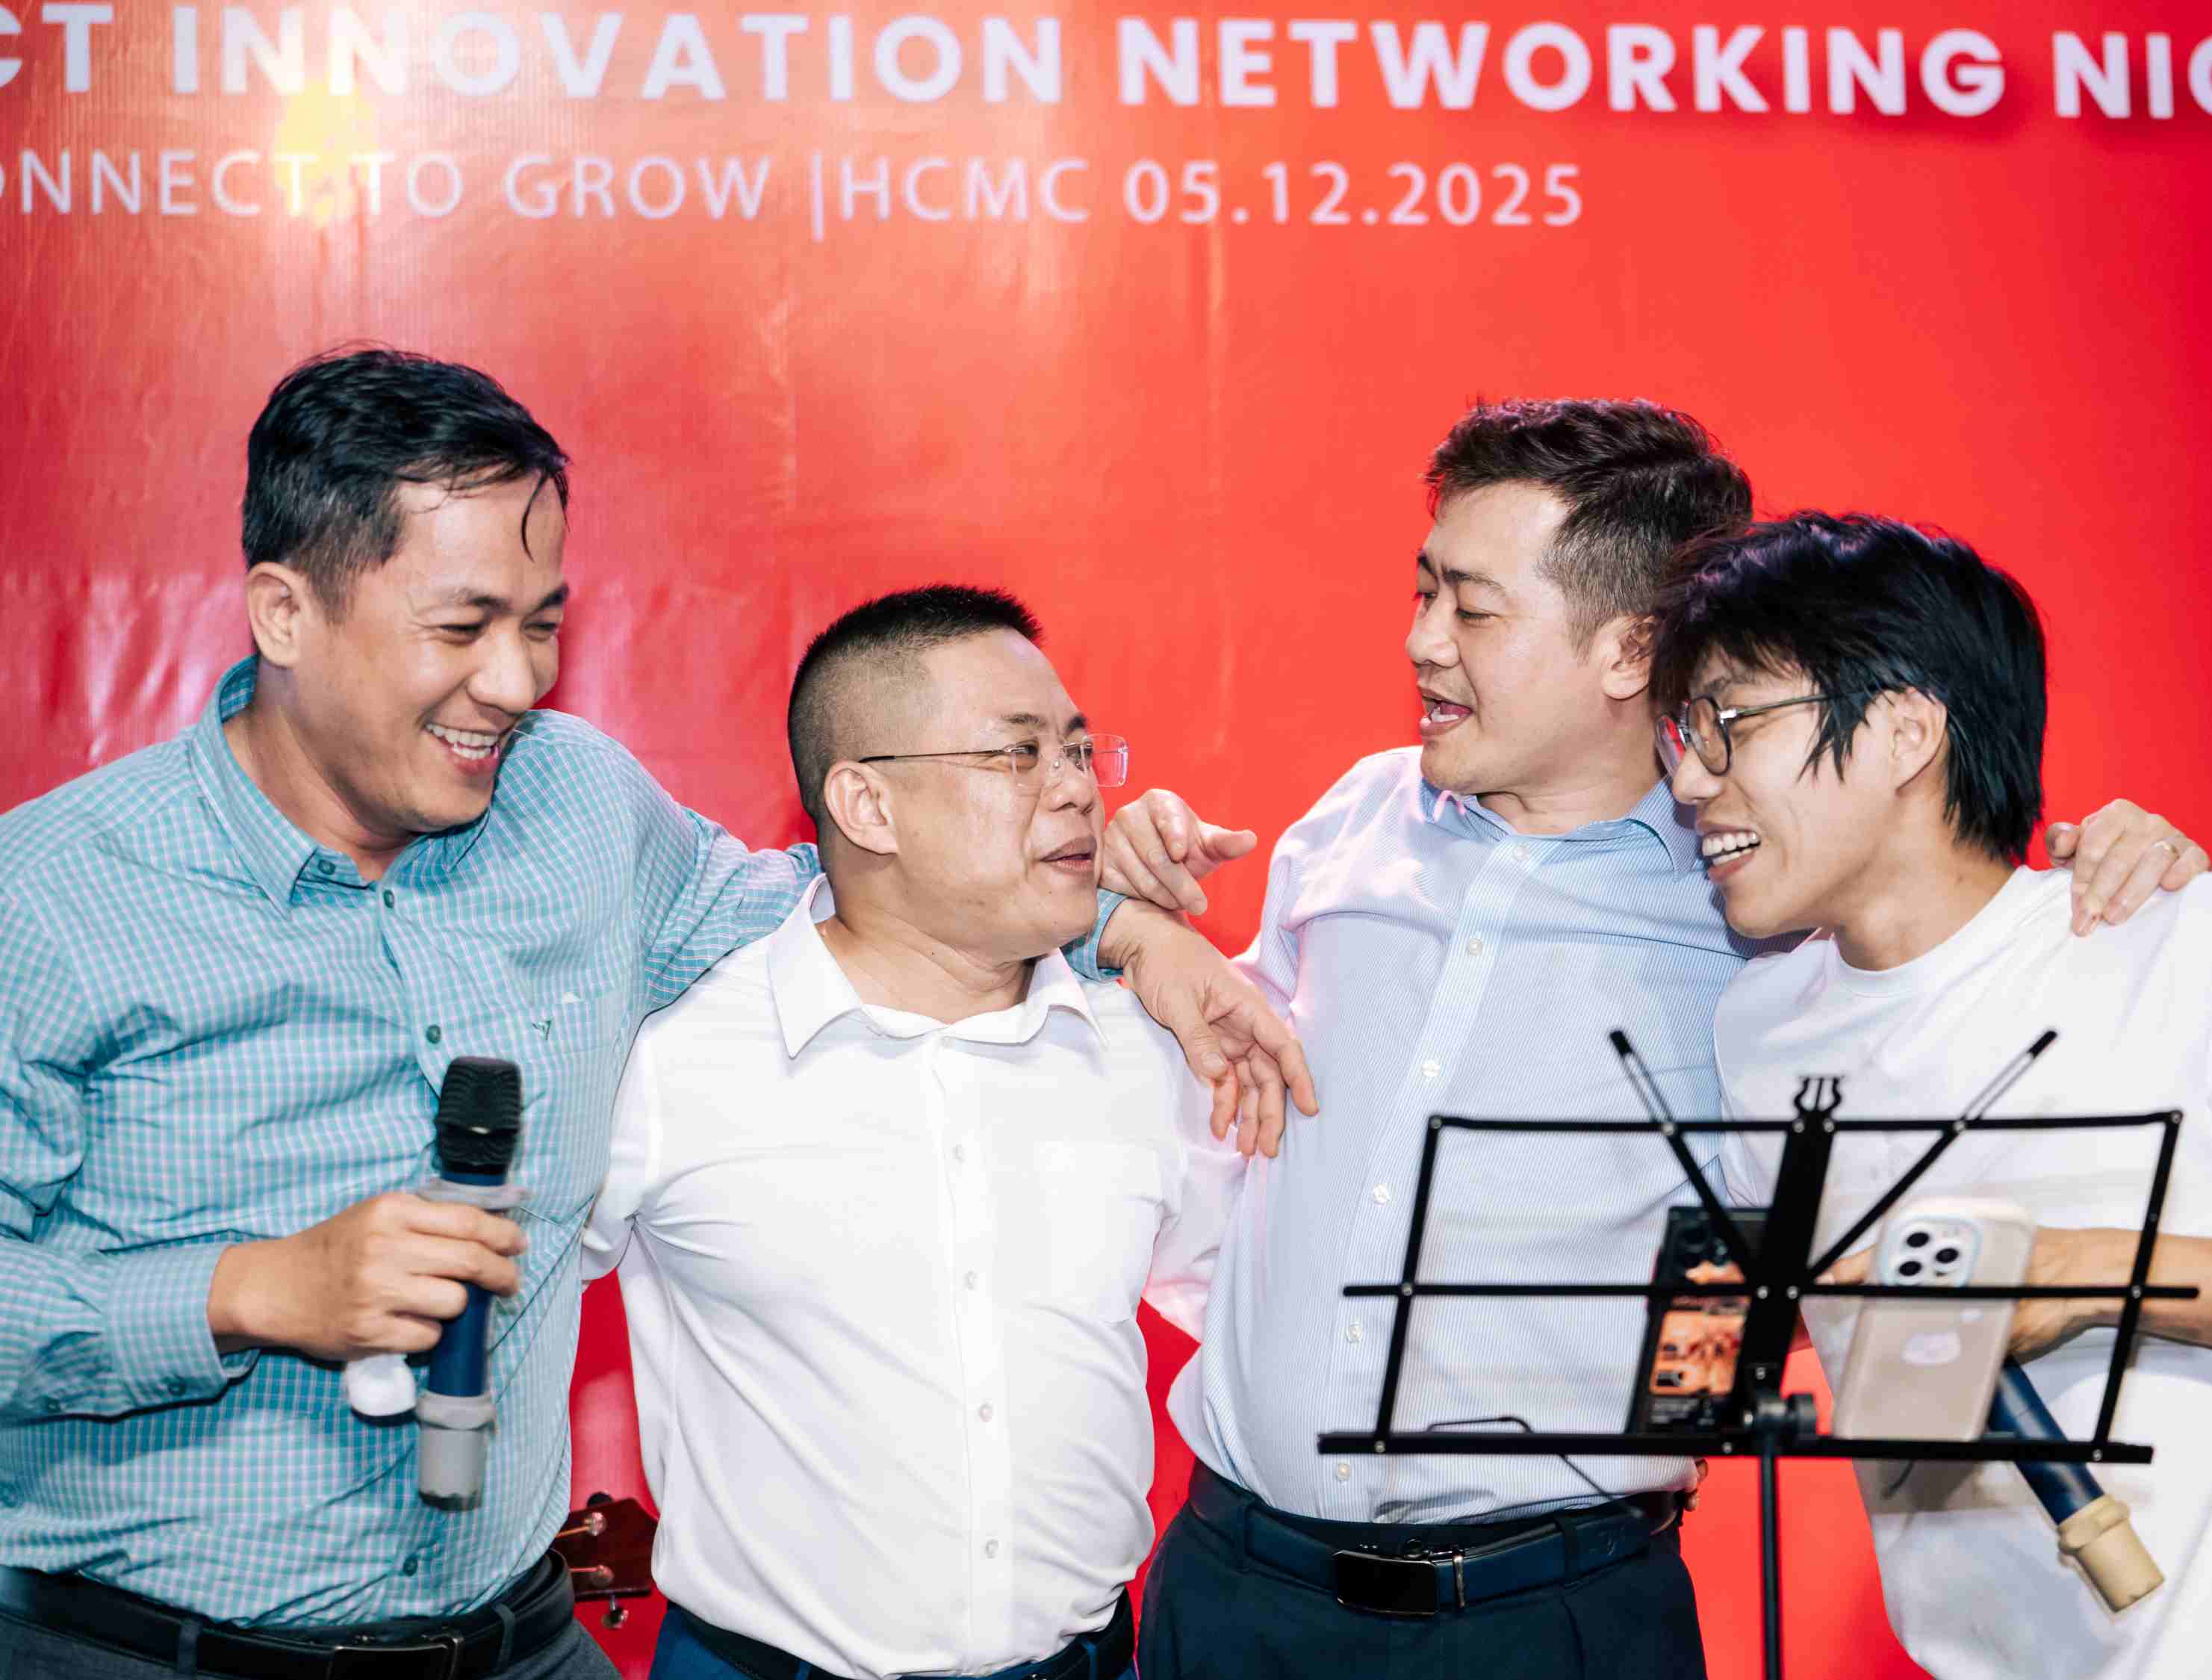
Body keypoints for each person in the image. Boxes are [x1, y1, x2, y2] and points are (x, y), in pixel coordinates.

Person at [0, 349, 1302, 1679]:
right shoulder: (50, 897)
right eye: (463, 626)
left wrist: (1121, 927)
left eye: (541, 623)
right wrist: (245, 1290)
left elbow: (856, 897)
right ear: (284, 611)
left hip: (514, 1639)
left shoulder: (576, 808)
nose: (516, 681)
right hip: (144, 1650)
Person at [1100, 400, 2207, 1679]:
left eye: (1470, 608)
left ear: (1630, 651)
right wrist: (1123, 923)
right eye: (1422, 589)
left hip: (1548, 1615)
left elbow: (1845, 1226)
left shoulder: (1761, 907)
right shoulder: (1352, 820)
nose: (1420, 641)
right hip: (1234, 1586)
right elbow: (1221, 1109)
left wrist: (2122, 852)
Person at [1658, 512, 2212, 1679]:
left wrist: (2085, 1274)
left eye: (1730, 722)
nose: (1689, 779)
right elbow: (1717, 1348)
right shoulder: (1756, 1025)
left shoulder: (2183, 936)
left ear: (1904, 732)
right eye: (1682, 732)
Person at [582, 586, 1240, 1680]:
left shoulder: (1142, 1047)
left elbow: (1267, 1312)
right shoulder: (677, 1059)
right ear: (867, 806)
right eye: (1018, 754)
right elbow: (500, 1308)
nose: (1077, 787)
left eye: (1080, 749)